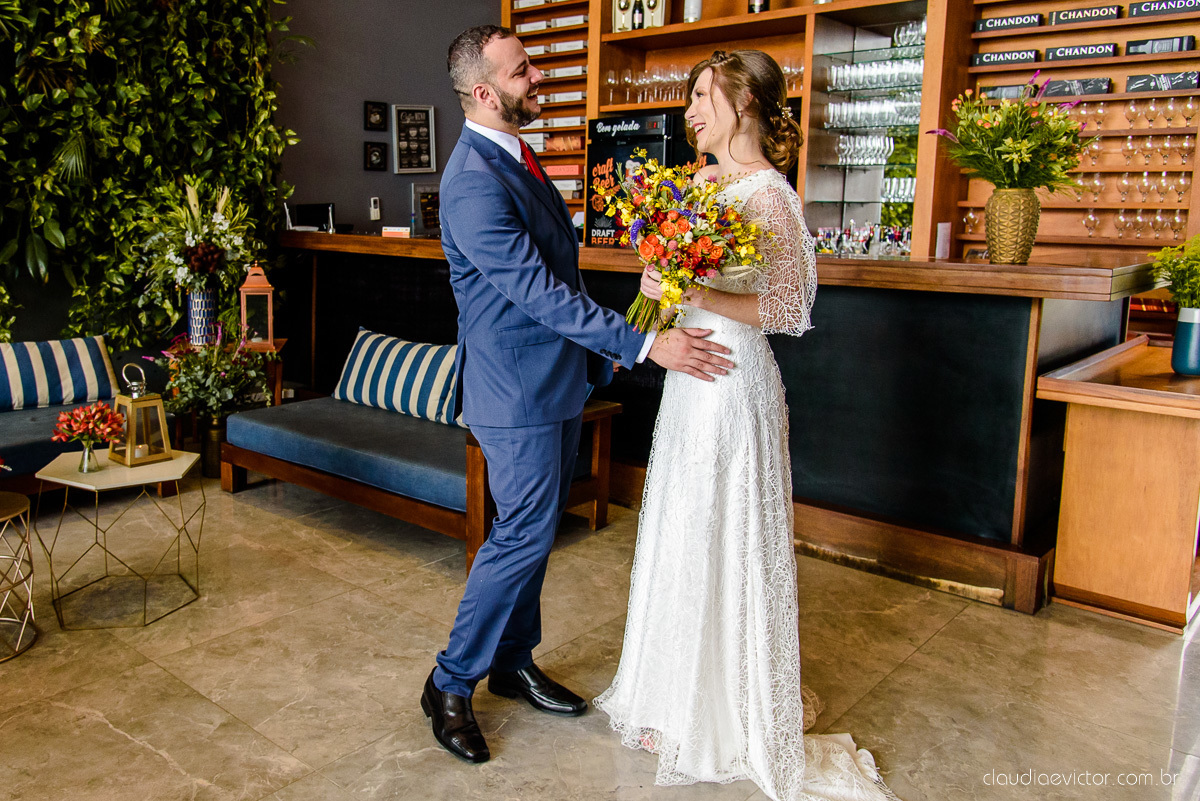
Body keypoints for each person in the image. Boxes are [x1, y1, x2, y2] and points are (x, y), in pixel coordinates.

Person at [423, 25, 736, 765]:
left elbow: (559, 276)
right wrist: (641, 341)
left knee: (535, 531)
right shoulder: (471, 180)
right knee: (524, 532)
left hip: (556, 379)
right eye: (523, 70)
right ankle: (450, 680)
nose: (538, 77)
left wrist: (640, 306)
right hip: (515, 390)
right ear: (482, 91)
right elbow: (534, 293)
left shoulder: (516, 155)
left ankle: (512, 659)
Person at [595, 50, 901, 801]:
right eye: (690, 96)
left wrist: (690, 283)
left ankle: (725, 707)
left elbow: (789, 311)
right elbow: (669, 290)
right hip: (687, 380)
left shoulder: (769, 196)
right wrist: (656, 290)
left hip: (734, 380)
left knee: (723, 531)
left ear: (746, 103)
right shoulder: (693, 185)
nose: (690, 110)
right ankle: (671, 698)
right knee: (681, 526)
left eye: (703, 95)